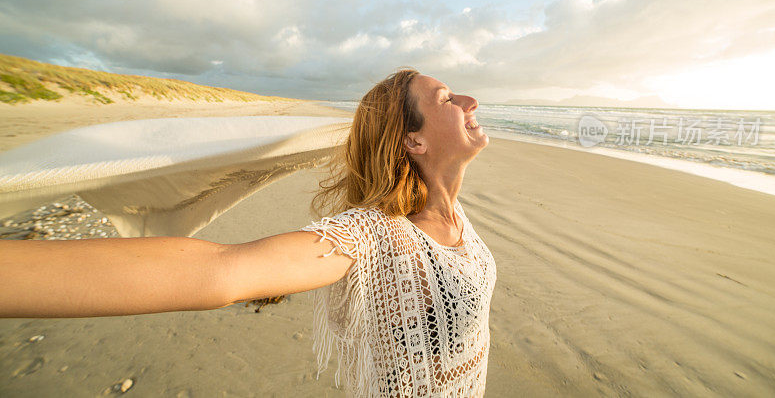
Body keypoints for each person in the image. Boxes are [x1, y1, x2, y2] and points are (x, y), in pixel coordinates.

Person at [0, 67, 497, 397]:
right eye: (447, 98)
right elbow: (222, 272)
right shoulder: (377, 234)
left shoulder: (458, 218)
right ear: (413, 138)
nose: (469, 98)